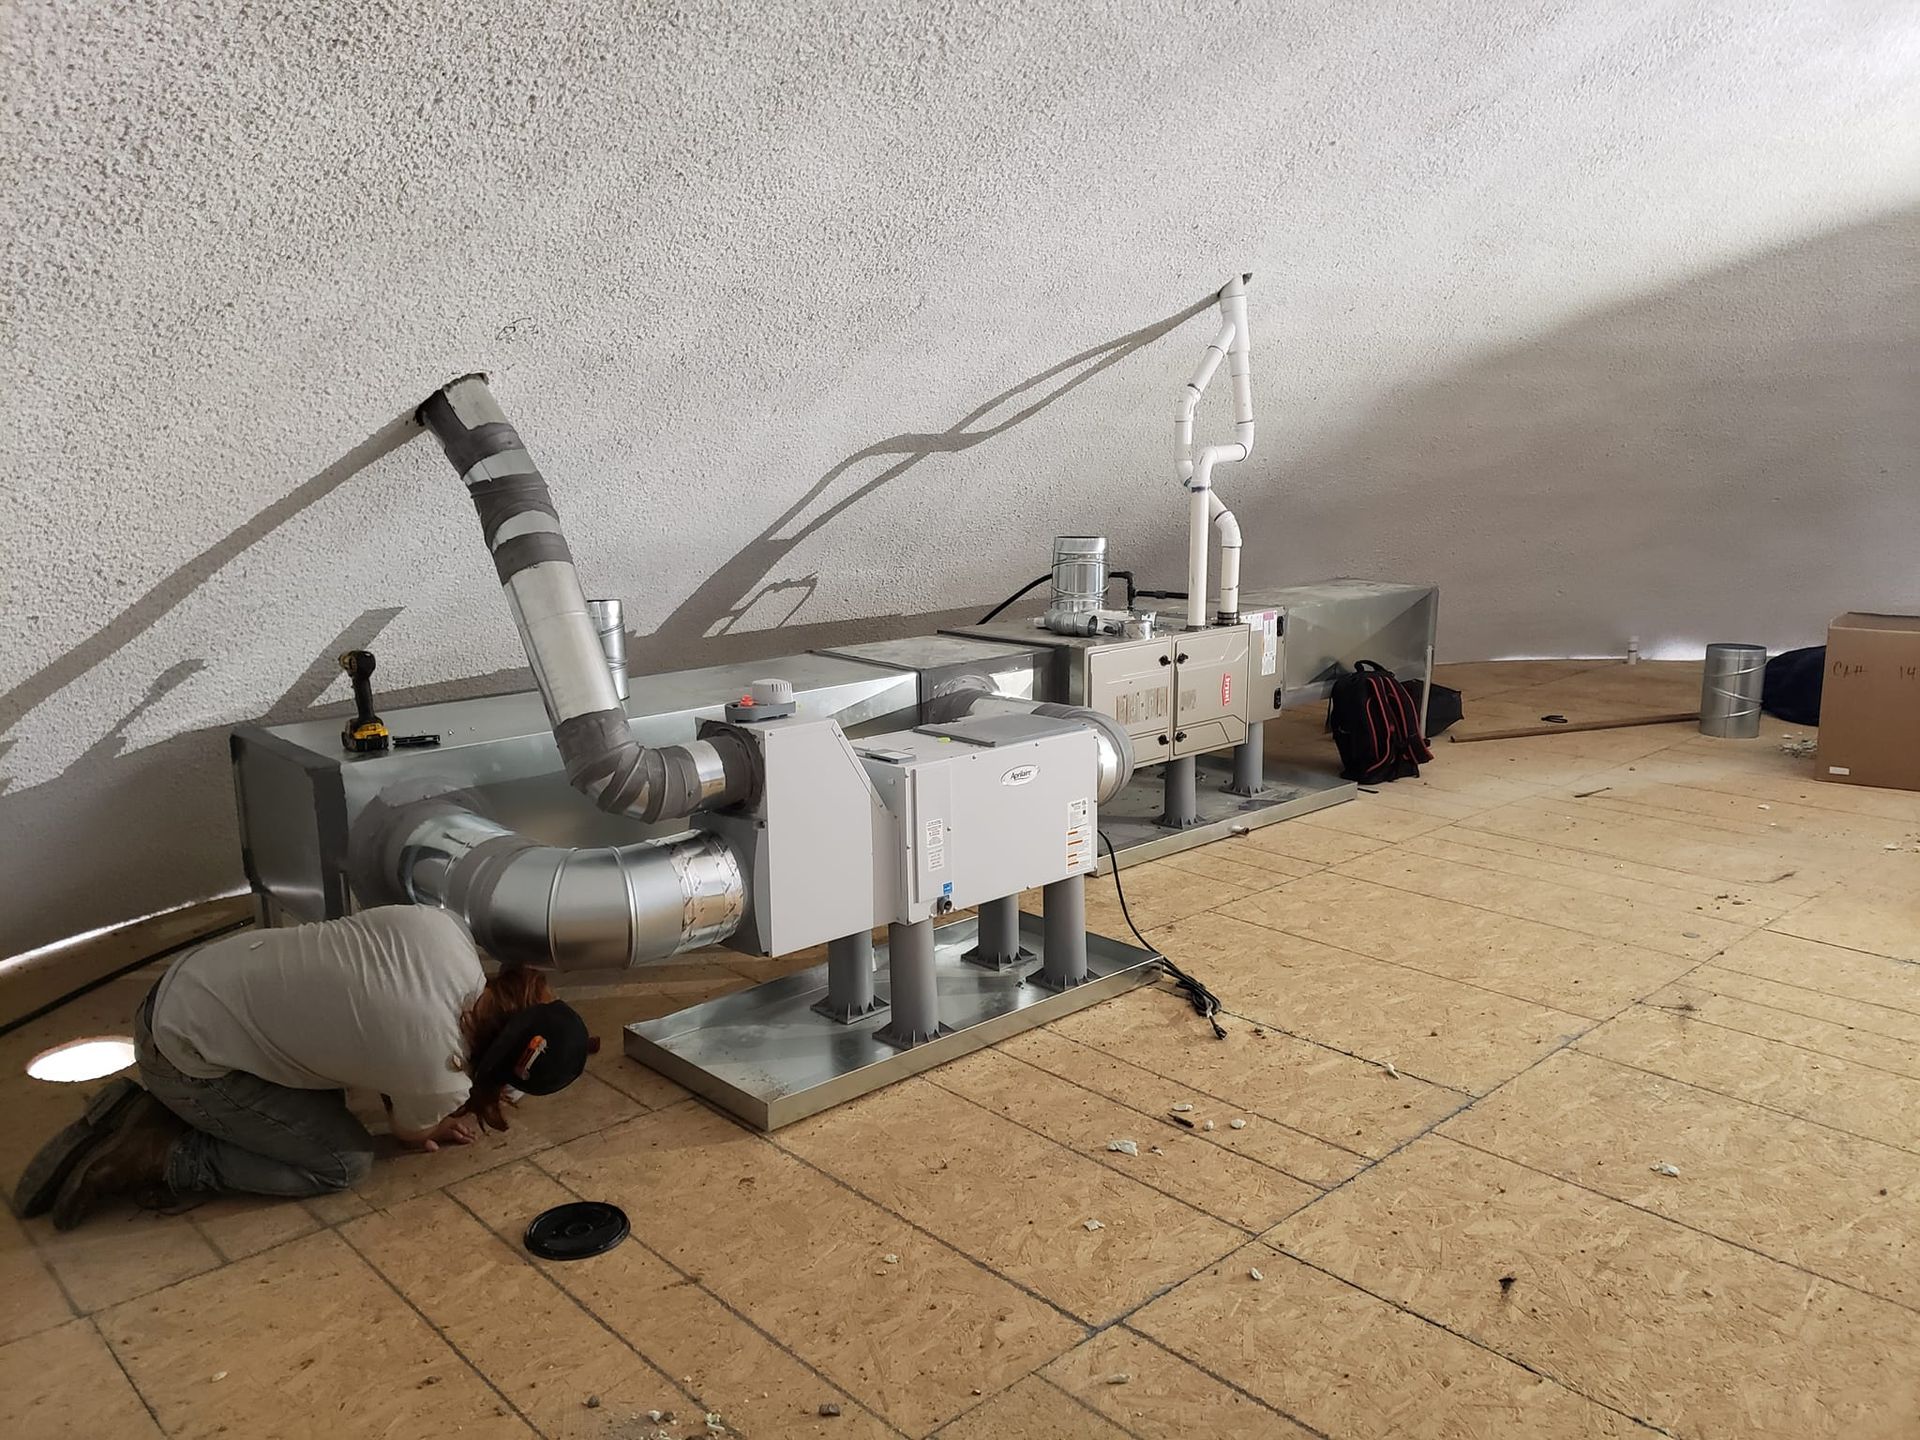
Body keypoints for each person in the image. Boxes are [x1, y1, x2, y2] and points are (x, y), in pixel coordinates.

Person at [14, 905, 590, 1230]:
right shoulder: (440, 1071)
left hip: (188, 980)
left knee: (324, 1096)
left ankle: (155, 1112)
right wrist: (433, 1117)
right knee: (342, 1161)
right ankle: (161, 1154)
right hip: (177, 1053)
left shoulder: (444, 933)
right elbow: (409, 1132)